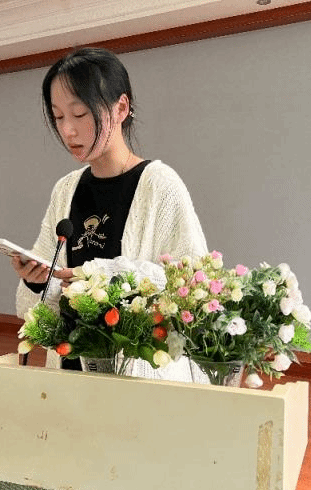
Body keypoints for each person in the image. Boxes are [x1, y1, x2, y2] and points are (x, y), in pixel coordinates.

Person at [13, 47, 207, 378]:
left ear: (120, 108)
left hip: (139, 379)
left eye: (80, 114)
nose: (68, 130)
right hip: (71, 371)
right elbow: (38, 307)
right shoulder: (66, 189)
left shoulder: (159, 184)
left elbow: (190, 286)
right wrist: (36, 282)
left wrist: (98, 275)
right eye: (58, 117)